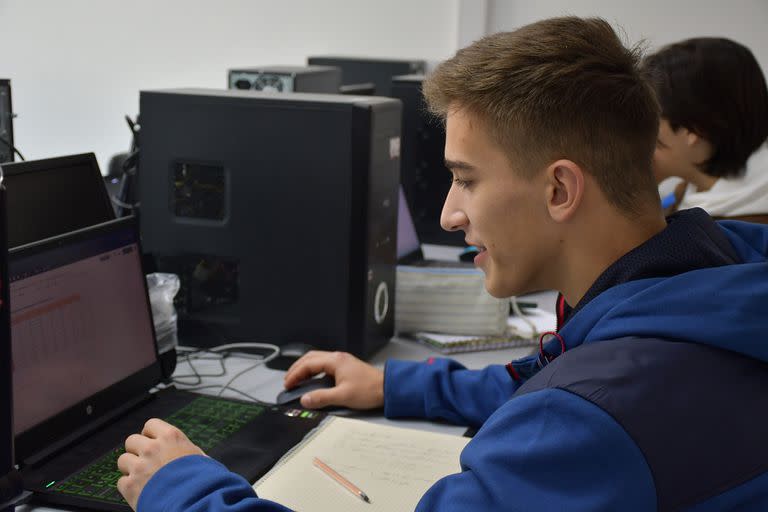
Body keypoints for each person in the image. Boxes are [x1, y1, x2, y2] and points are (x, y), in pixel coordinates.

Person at [117, 17, 768, 511]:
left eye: (466, 179)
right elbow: (548, 374)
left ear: (560, 190)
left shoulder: (590, 415)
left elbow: (576, 402)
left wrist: (183, 489)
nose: (451, 214)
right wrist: (393, 386)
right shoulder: (709, 273)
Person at [642, 37, 768, 221]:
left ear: (694, 131)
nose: (637, 131)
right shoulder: (688, 191)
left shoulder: (732, 238)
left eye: (649, 118)